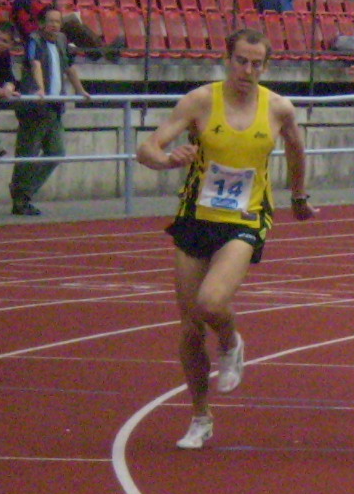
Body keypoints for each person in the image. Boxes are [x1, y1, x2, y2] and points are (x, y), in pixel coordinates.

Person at [134, 28, 314, 450]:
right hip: (196, 216)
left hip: (246, 218)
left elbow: (296, 150)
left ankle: (232, 342)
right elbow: (148, 147)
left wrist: (300, 196)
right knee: (191, 329)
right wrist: (167, 159)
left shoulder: (279, 108)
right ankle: (200, 415)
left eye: (257, 64)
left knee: (211, 302)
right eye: (241, 61)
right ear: (227, 59)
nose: (248, 71)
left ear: (265, 66)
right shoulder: (200, 101)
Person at [9, 5, 85, 217]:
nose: (54, 25)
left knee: (56, 152)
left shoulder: (61, 41)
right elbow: (34, 64)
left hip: (54, 106)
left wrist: (80, 90)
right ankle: (20, 198)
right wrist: (39, 88)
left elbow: (69, 67)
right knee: (28, 153)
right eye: (50, 21)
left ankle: (24, 192)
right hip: (35, 106)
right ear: (41, 23)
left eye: (57, 21)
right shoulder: (34, 40)